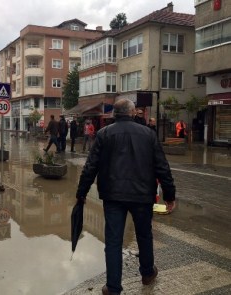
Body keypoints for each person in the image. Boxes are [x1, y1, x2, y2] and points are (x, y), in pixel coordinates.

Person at [75, 98, 176, 295]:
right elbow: (162, 166)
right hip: (142, 195)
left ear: (114, 114)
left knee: (113, 240)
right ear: (132, 113)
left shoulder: (104, 134)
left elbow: (91, 166)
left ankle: (113, 287)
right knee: (144, 235)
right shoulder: (148, 134)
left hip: (113, 196)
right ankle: (147, 274)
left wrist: (82, 193)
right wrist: (169, 195)